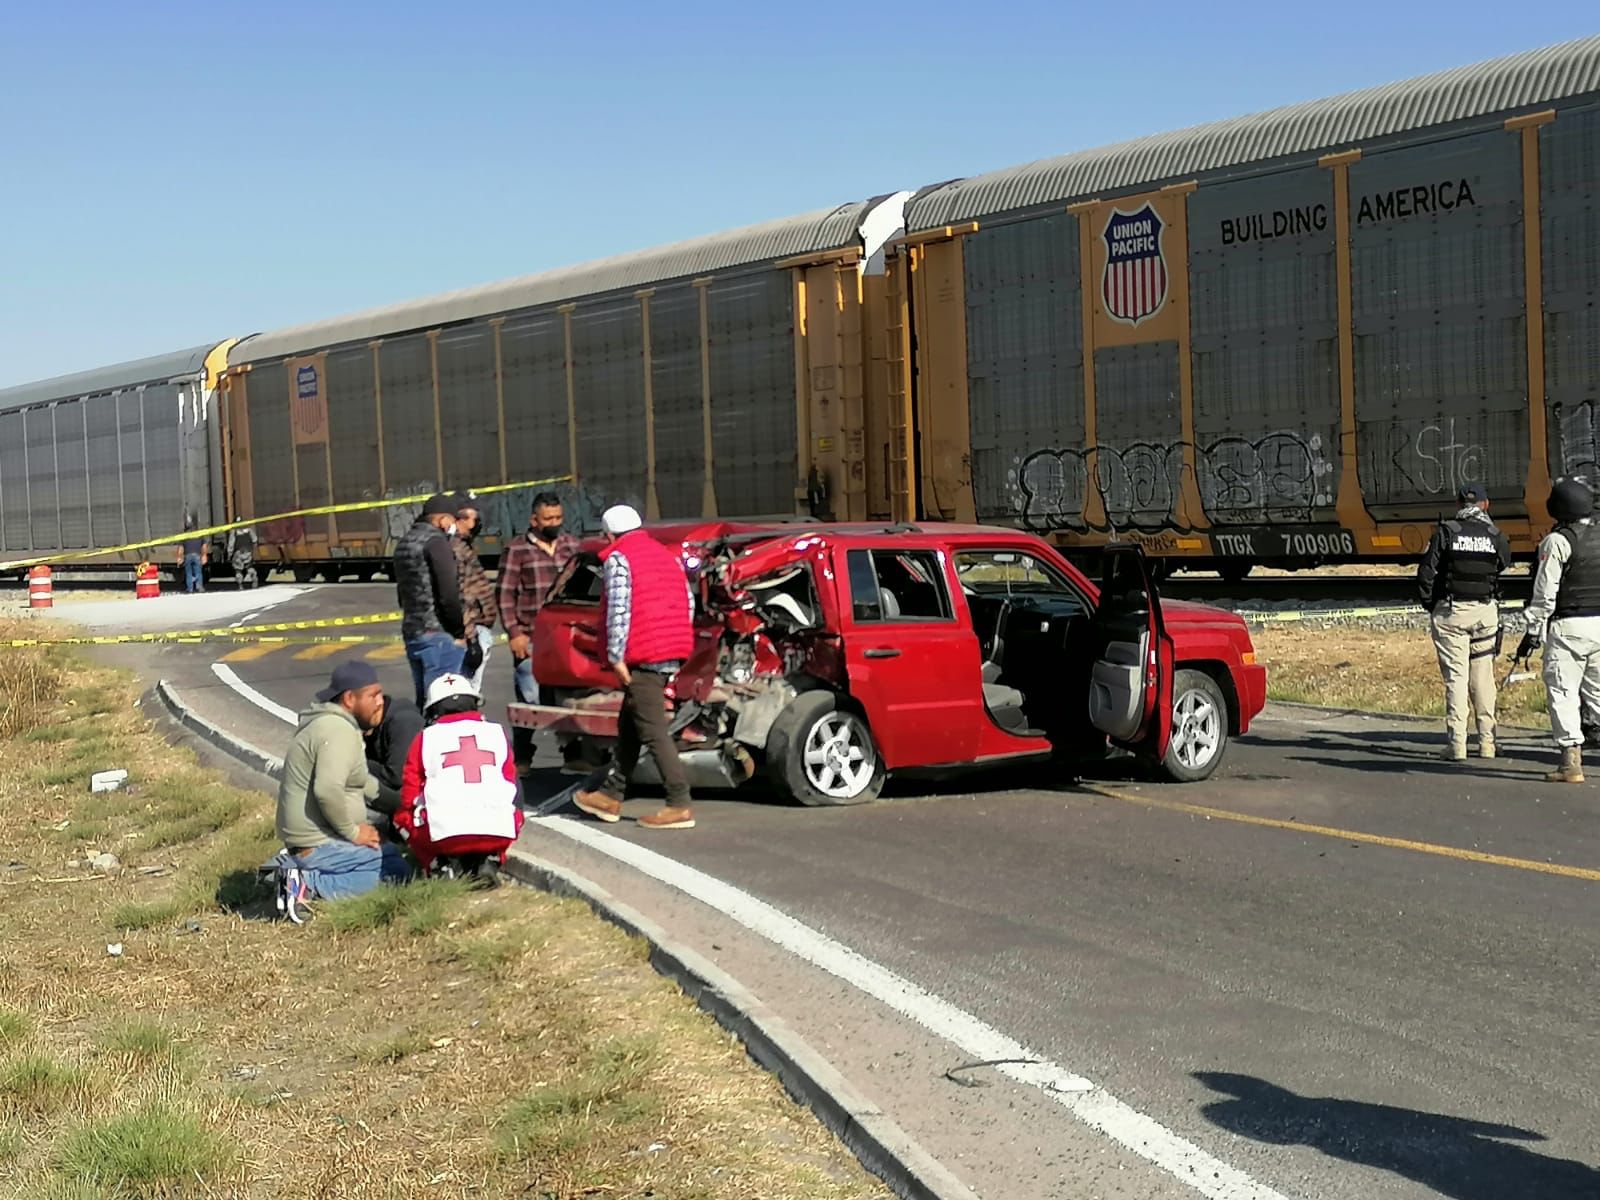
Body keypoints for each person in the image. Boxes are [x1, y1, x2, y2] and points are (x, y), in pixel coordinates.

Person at [575, 504, 697, 830]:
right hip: (670, 649)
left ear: (608, 535)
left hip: (643, 655)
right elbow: (689, 602)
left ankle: (679, 802)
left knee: (652, 729)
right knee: (630, 725)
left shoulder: (619, 559)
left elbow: (619, 609)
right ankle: (610, 795)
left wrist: (615, 657)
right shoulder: (666, 556)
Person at [273, 661, 410, 919]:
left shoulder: (334, 726)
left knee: (391, 854)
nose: (381, 701)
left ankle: (293, 867)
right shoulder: (338, 730)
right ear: (349, 698)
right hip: (317, 841)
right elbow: (327, 790)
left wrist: (407, 805)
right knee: (396, 871)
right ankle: (307, 884)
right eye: (373, 695)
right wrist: (354, 832)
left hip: (310, 839)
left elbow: (364, 782)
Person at [1415, 482, 1512, 760]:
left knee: (1456, 678)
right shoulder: (1494, 534)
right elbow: (1504, 562)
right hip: (1485, 613)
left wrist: (1430, 605)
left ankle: (1457, 745)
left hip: (1452, 613)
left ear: (1459, 505)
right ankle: (1487, 743)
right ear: (1486, 505)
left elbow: (1426, 572)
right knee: (1483, 678)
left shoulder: (1447, 531)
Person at [397, 673, 524, 880]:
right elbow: (511, 784)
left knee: (402, 817)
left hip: (444, 838)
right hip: (498, 833)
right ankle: (491, 858)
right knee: (513, 789)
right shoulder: (497, 733)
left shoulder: (424, 739)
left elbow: (409, 795)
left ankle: (440, 865)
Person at [1517, 479, 1600, 784]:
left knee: (1563, 693)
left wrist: (1533, 630)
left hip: (1569, 627)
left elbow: (1544, 596)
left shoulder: (1557, 541)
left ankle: (1571, 764)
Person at [497, 492, 580, 767]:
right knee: (530, 700)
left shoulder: (572, 546)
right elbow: (505, 595)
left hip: (566, 639)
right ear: (534, 519)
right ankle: (521, 757)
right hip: (531, 638)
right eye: (548, 518)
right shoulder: (517, 550)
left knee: (566, 699)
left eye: (558, 517)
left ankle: (573, 755)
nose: (554, 522)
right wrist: (514, 633)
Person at [394, 493, 467, 708]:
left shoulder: (404, 544)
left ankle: (421, 738)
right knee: (443, 701)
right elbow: (448, 593)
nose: (453, 526)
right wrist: (458, 632)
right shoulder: (436, 543)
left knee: (424, 698)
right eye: (452, 521)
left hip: (412, 630)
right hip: (438, 633)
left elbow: (402, 592)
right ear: (442, 519)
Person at [452, 493, 499, 693]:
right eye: (474, 519)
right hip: (473, 630)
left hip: (479, 628)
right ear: (459, 520)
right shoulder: (456, 549)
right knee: (467, 689)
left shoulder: (465, 546)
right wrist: (471, 639)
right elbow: (461, 595)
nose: (477, 524)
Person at [364, 691, 425, 840]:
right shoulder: (376, 725)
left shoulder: (403, 721)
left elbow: (397, 776)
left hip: (420, 800)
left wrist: (355, 764)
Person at [179, 515, 208, 594]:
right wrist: (204, 555)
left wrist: (180, 557)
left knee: (188, 573)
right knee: (198, 572)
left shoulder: (184, 535)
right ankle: (199, 587)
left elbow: (181, 548)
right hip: (197, 555)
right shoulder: (199, 534)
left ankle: (190, 589)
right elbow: (204, 545)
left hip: (188, 555)